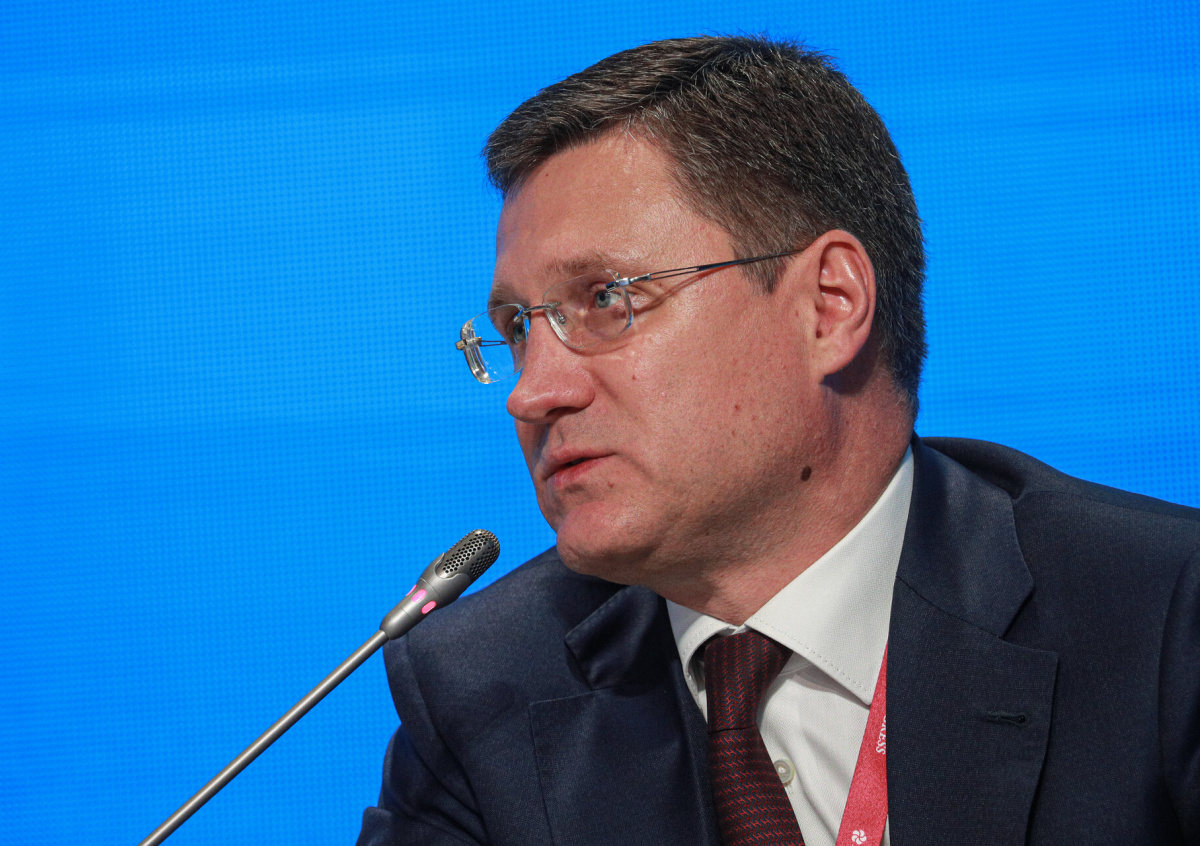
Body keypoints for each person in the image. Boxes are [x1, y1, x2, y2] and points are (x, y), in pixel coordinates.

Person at [357, 35, 1200, 846]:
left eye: (607, 299)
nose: (533, 392)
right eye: (517, 328)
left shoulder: (1160, 618)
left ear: (828, 306)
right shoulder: (485, 691)